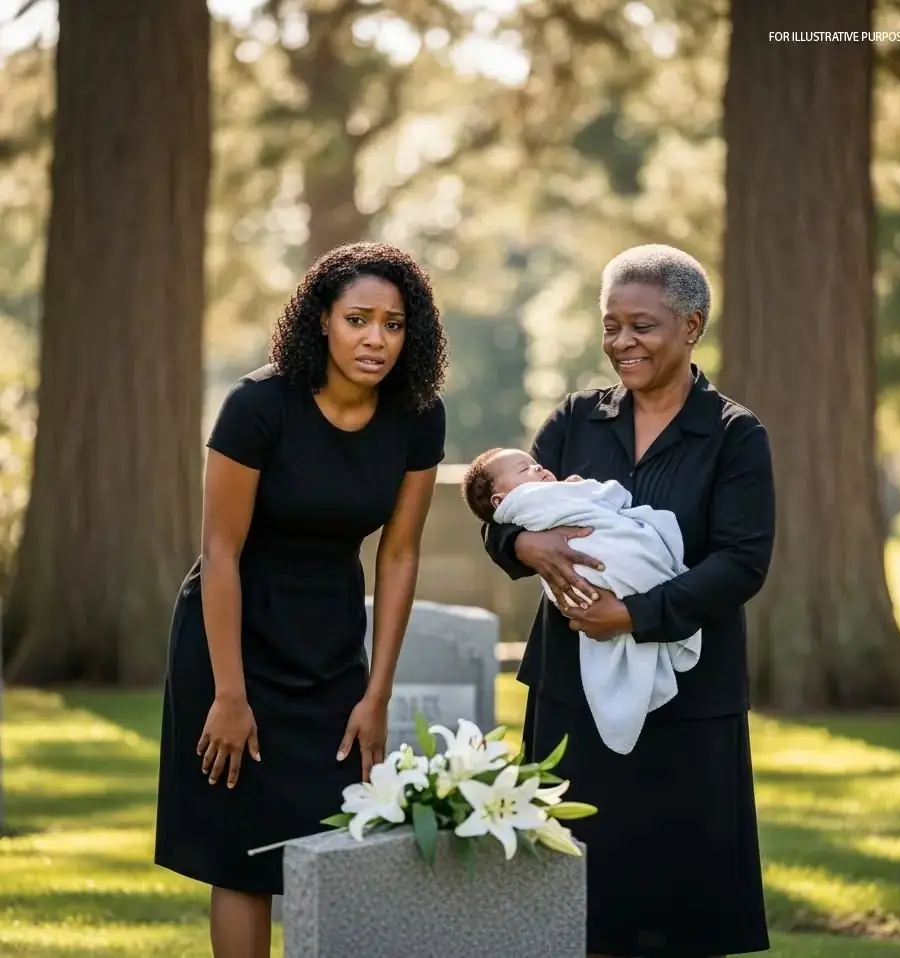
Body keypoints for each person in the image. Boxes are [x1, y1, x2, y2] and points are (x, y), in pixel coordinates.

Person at [154, 242, 448, 958]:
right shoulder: (259, 407)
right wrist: (229, 695)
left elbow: (401, 554)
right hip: (233, 638)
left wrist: (378, 693)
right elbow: (221, 553)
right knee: (242, 858)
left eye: (393, 323)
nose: (376, 338)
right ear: (321, 321)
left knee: (336, 840)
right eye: (358, 320)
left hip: (329, 645)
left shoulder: (417, 415)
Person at [481, 244, 775, 958]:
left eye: (641, 326)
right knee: (577, 902)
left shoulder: (735, 436)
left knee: (684, 908)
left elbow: (742, 563)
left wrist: (634, 617)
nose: (621, 342)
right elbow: (506, 512)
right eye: (610, 325)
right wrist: (525, 549)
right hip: (569, 695)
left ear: (692, 325)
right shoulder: (578, 418)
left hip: (690, 706)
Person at [461, 448, 702, 755]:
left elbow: (605, 503)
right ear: (501, 500)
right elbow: (496, 530)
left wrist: (581, 492)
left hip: (634, 566)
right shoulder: (570, 422)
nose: (540, 470)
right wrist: (522, 541)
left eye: (537, 464)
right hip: (566, 669)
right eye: (527, 470)